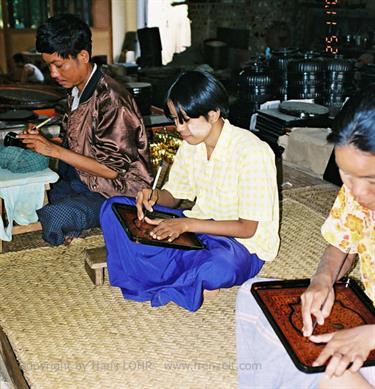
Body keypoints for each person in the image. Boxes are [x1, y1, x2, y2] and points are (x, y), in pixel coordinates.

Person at [100, 71, 280, 312]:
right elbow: (173, 196)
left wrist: (186, 226)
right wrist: (152, 196)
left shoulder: (252, 152)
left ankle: (189, 275)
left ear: (213, 114)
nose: (179, 128)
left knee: (219, 267)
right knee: (114, 209)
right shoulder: (191, 145)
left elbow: (247, 228)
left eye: (184, 120)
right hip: (197, 229)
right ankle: (190, 278)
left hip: (239, 245)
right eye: (175, 119)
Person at [236, 87, 375, 388]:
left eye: (370, 180)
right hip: (366, 312)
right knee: (257, 297)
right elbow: (341, 243)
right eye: (345, 175)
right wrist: (322, 280)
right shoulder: (356, 192)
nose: (357, 192)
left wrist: (368, 337)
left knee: (332, 373)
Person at [18, 14, 152, 245]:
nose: (53, 74)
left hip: (118, 190)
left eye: (58, 65)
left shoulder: (111, 99)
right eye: (48, 65)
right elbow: (76, 143)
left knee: (55, 217)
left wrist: (53, 151)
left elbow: (112, 171)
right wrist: (42, 140)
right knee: (34, 195)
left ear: (83, 56)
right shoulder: (77, 91)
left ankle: (105, 216)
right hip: (83, 179)